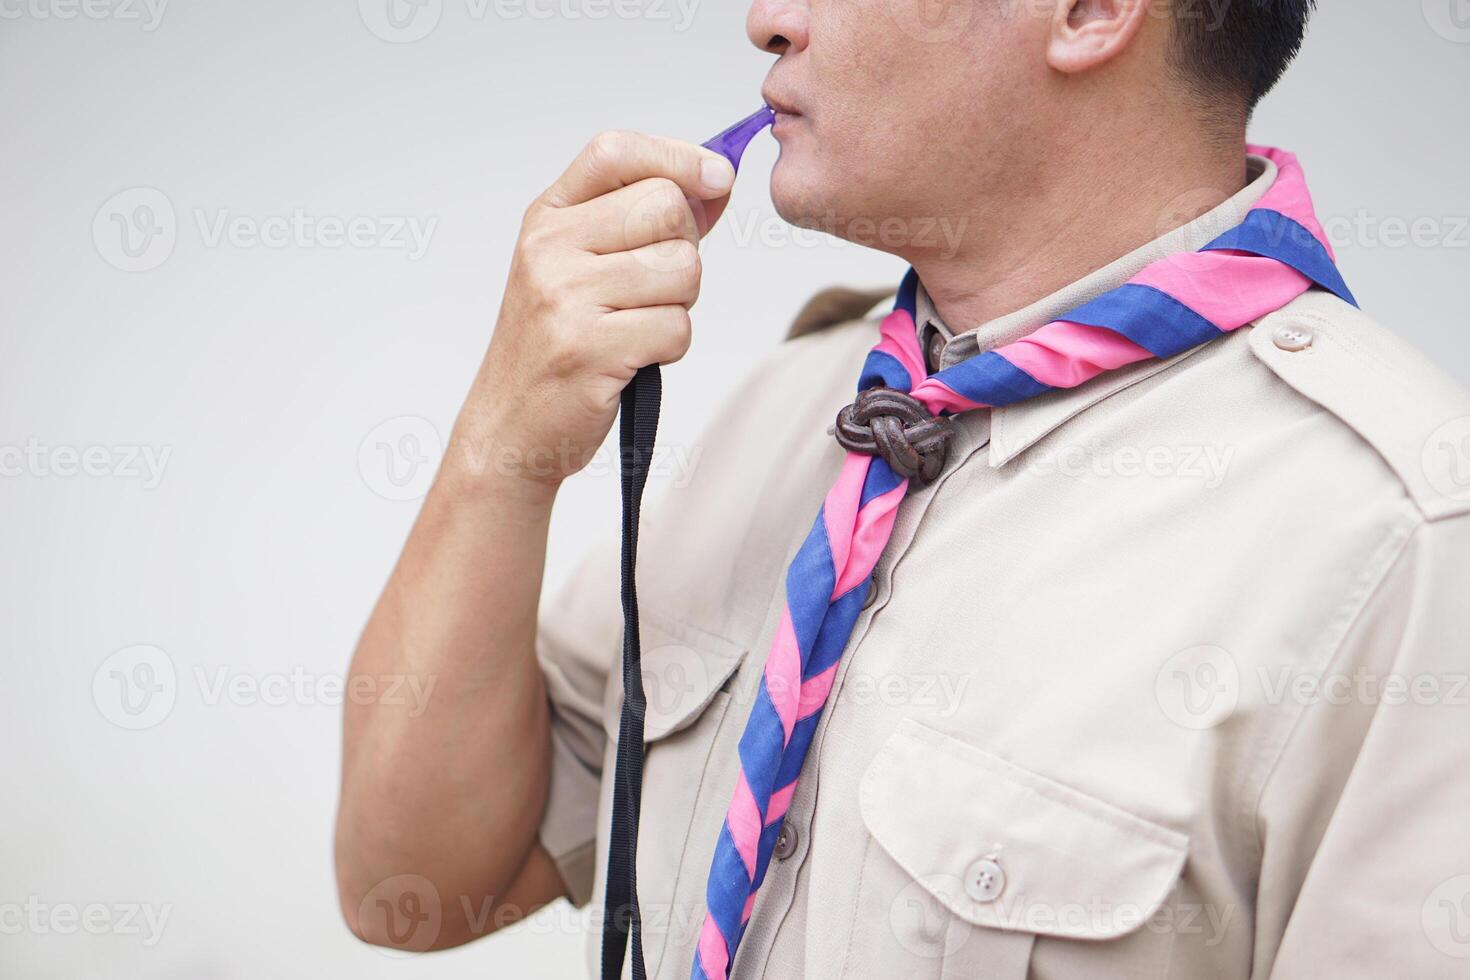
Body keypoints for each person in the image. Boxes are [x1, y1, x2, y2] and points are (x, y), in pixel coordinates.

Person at [334, 1, 1470, 976]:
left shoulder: (1403, 538)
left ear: (1086, 10)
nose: (766, 17)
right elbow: (416, 881)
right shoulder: (785, 405)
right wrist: (503, 445)